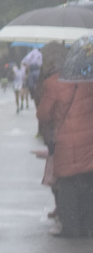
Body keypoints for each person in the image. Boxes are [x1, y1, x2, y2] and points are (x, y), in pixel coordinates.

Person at [36, 51, 93, 238]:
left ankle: (71, 228)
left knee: (68, 184)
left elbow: (43, 114)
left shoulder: (53, 83)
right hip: (89, 141)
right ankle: (87, 226)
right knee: (87, 182)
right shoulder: (88, 80)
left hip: (66, 141)